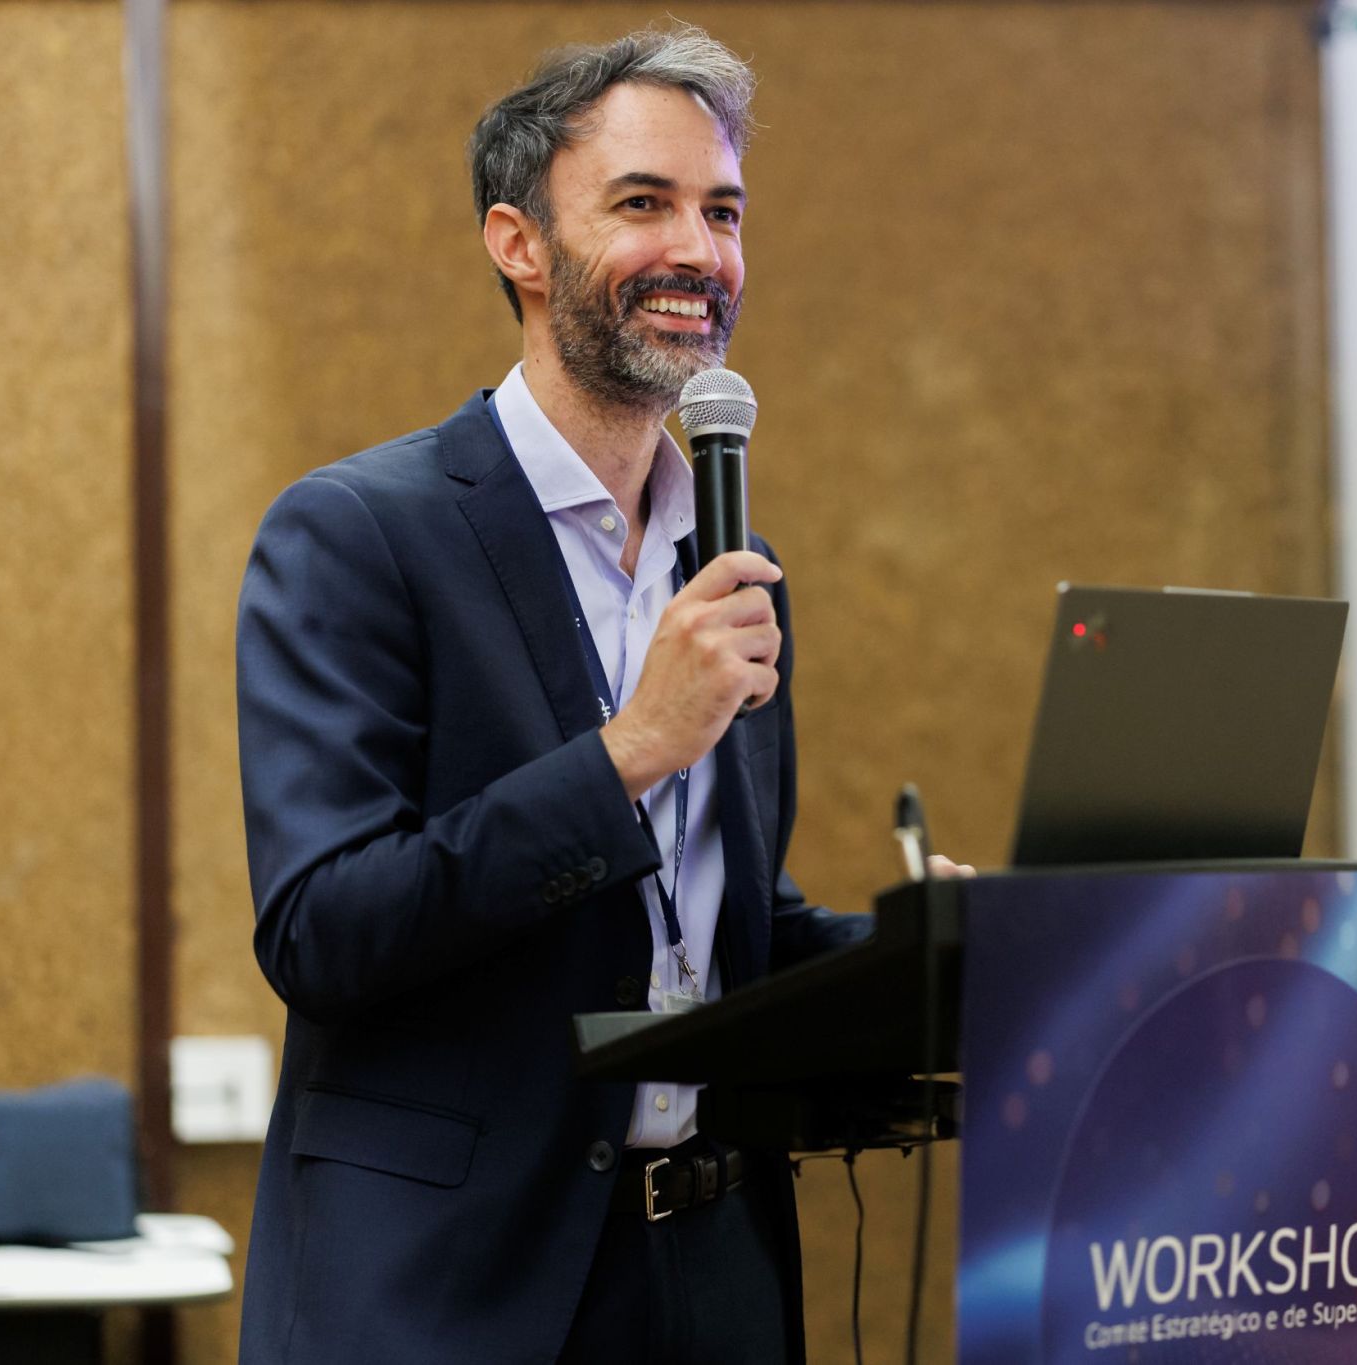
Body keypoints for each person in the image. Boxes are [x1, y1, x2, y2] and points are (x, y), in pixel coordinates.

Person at [234, 25, 962, 1363]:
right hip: (456, 1295)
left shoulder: (730, 564)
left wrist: (938, 949)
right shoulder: (356, 534)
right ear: (518, 243)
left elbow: (729, 931)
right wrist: (629, 751)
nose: (700, 250)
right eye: (643, 203)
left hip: (713, 1266)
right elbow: (323, 932)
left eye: (723, 212)